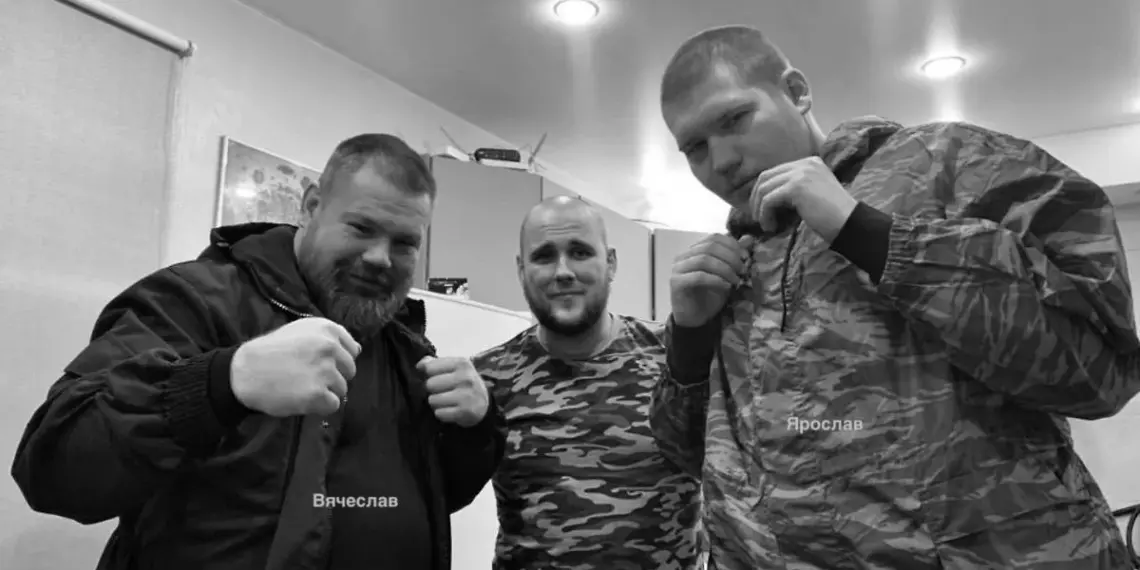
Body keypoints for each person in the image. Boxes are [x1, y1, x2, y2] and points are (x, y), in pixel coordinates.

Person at [652, 24, 1140, 569]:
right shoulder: (731, 262)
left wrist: (868, 233)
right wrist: (689, 338)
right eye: (695, 148)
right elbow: (689, 456)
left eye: (734, 119)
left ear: (796, 92)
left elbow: (1101, 370)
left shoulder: (949, 162)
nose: (720, 161)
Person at [11, 134, 505, 570]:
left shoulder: (406, 347)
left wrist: (475, 432)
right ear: (311, 206)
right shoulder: (193, 301)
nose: (380, 258)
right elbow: (54, 470)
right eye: (361, 228)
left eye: (404, 243)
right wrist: (220, 383)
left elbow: (435, 497)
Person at [473, 196, 703, 570]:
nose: (563, 271)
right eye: (544, 256)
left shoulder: (677, 359)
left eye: (580, 253)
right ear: (521, 270)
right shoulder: (487, 379)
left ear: (610, 263)